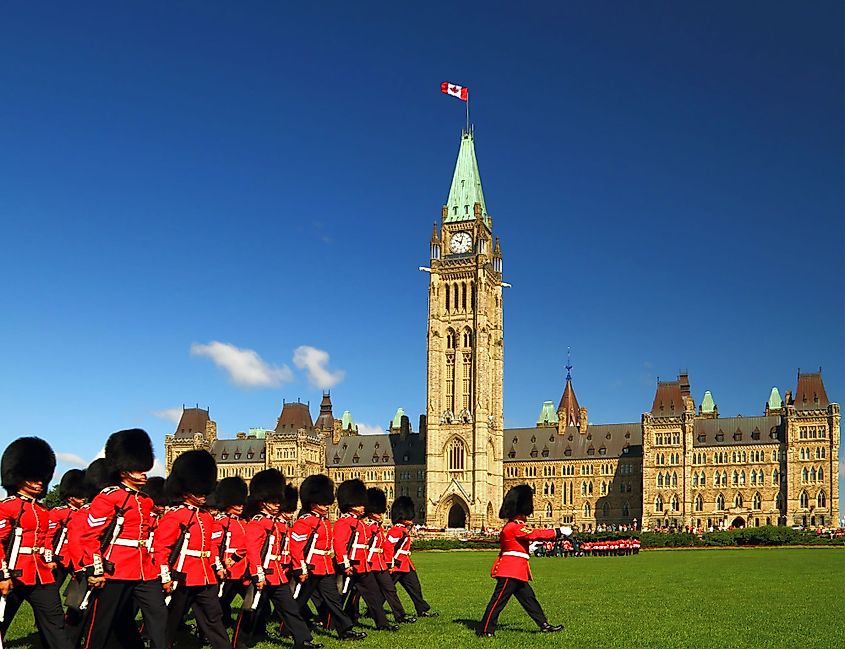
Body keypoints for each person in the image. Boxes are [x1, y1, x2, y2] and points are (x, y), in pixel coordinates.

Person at [78, 428, 168, 649]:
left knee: (158, 613)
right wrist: (94, 569)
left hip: (144, 568)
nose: (144, 473)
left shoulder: (145, 501)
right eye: (138, 469)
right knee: (103, 621)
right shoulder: (109, 498)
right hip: (115, 567)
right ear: (124, 470)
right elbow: (89, 536)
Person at [231, 469, 320, 649]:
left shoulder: (274, 523)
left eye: (279, 501)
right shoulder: (258, 522)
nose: (278, 505)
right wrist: (257, 573)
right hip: (262, 572)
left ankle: (302, 640)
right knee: (251, 609)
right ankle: (239, 643)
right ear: (263, 502)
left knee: (290, 608)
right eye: (274, 501)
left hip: (277, 574)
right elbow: (252, 549)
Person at [0, 437, 73, 649]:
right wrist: (2, 575)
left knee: (55, 621)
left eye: (41, 477)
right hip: (13, 573)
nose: (39, 482)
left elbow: (46, 540)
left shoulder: (43, 511)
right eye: (33, 477)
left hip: (40, 574)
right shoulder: (8, 507)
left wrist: (48, 559)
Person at [154, 449, 231, 649]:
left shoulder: (206, 517)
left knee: (214, 617)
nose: (204, 495)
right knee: (171, 619)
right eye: (199, 491)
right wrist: (165, 576)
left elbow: (211, 547)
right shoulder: (176, 515)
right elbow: (161, 548)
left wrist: (218, 565)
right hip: (183, 574)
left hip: (205, 575)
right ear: (187, 490)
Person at [478, 485, 567, 638]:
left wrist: (529, 548)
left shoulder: (514, 527)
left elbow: (521, 543)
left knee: (529, 600)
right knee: (498, 601)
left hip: (518, 570)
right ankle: (485, 629)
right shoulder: (513, 527)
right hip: (510, 570)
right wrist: (557, 531)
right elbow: (534, 533)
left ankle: (543, 624)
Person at [290, 474, 365, 642]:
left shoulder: (322, 521)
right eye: (322, 503)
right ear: (312, 503)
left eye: (327, 502)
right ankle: (286, 627)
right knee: (299, 601)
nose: (326, 506)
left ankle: (345, 629)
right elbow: (296, 547)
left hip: (324, 567)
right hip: (310, 567)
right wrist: (300, 568)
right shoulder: (305, 521)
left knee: (334, 600)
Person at [333, 479, 396, 631]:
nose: (363, 507)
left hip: (362, 565)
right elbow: (339, 544)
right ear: (351, 505)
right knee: (340, 596)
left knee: (373, 596)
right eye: (360, 504)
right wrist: (344, 564)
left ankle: (383, 624)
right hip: (350, 565)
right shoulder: (344, 522)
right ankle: (330, 623)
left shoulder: (361, 523)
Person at [363, 488, 414, 624]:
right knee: (359, 594)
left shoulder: (377, 526)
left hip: (379, 563)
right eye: (378, 511)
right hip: (367, 562)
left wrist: (389, 563)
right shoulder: (366, 527)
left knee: (390, 589)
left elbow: (384, 547)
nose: (381, 514)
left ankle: (400, 616)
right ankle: (353, 613)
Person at [386, 496, 437, 618]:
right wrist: (390, 564)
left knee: (415, 588)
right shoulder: (396, 530)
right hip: (396, 565)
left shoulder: (403, 530)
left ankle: (422, 609)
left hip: (406, 565)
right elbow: (388, 548)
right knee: (387, 590)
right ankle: (374, 609)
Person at [213, 476, 248, 629]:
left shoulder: (242, 522)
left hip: (243, 569)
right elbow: (215, 545)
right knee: (221, 602)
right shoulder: (221, 522)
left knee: (253, 601)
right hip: (230, 568)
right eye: (236, 503)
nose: (241, 506)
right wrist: (220, 565)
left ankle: (250, 629)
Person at [49, 468, 88, 587]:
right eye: (80, 496)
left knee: (79, 594)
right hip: (60, 559)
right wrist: (49, 558)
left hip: (78, 560)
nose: (83, 498)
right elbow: (48, 537)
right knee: (52, 590)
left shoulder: (86, 513)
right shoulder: (59, 513)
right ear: (71, 497)